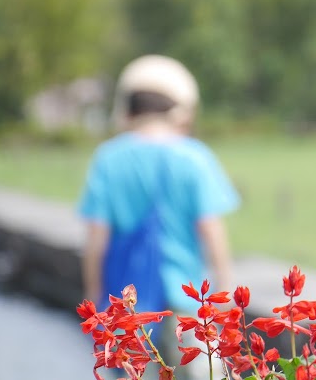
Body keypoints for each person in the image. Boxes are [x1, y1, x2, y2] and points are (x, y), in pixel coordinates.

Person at [78, 54, 240, 379]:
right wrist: (226, 297)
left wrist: (94, 299)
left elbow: (96, 242)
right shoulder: (194, 157)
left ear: (128, 108)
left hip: (128, 309)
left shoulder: (108, 159)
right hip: (187, 304)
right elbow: (212, 234)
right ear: (178, 108)